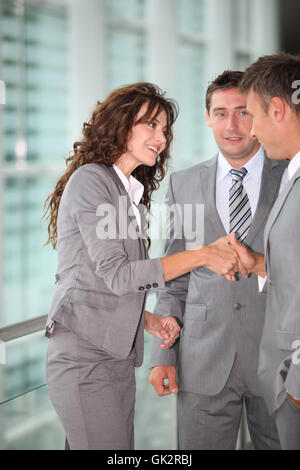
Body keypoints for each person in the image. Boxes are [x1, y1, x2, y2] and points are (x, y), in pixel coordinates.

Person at [43, 82, 239, 450]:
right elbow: (119, 276)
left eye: (164, 129)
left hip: (113, 358)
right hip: (85, 362)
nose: (161, 137)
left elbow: (100, 281)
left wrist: (147, 320)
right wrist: (203, 254)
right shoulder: (91, 181)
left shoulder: (127, 192)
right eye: (150, 125)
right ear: (120, 124)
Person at [149, 71, 286, 450]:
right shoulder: (184, 184)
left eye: (243, 112)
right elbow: (175, 275)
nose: (232, 125)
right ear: (207, 117)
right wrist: (165, 354)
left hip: (279, 363)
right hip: (203, 362)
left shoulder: (291, 177)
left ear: (258, 116)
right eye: (221, 113)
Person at [227, 53, 300, 450]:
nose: (250, 130)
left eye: (251, 115)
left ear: (278, 109)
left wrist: (295, 387)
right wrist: (258, 264)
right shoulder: (292, 173)